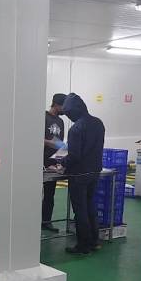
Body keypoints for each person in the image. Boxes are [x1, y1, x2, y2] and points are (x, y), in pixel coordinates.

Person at [60, 93, 105, 254]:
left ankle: (83, 246)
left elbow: (74, 156)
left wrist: (61, 162)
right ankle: (94, 242)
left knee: (80, 210)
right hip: (95, 171)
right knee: (90, 206)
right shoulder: (98, 123)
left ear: (73, 111)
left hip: (79, 175)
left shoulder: (76, 128)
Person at [42, 93, 67, 232]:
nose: (65, 109)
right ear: (56, 104)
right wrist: (49, 142)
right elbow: (33, 138)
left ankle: (46, 221)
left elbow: (60, 143)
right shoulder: (43, 118)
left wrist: (60, 161)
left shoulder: (61, 122)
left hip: (53, 163)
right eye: (63, 106)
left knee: (49, 194)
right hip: (40, 162)